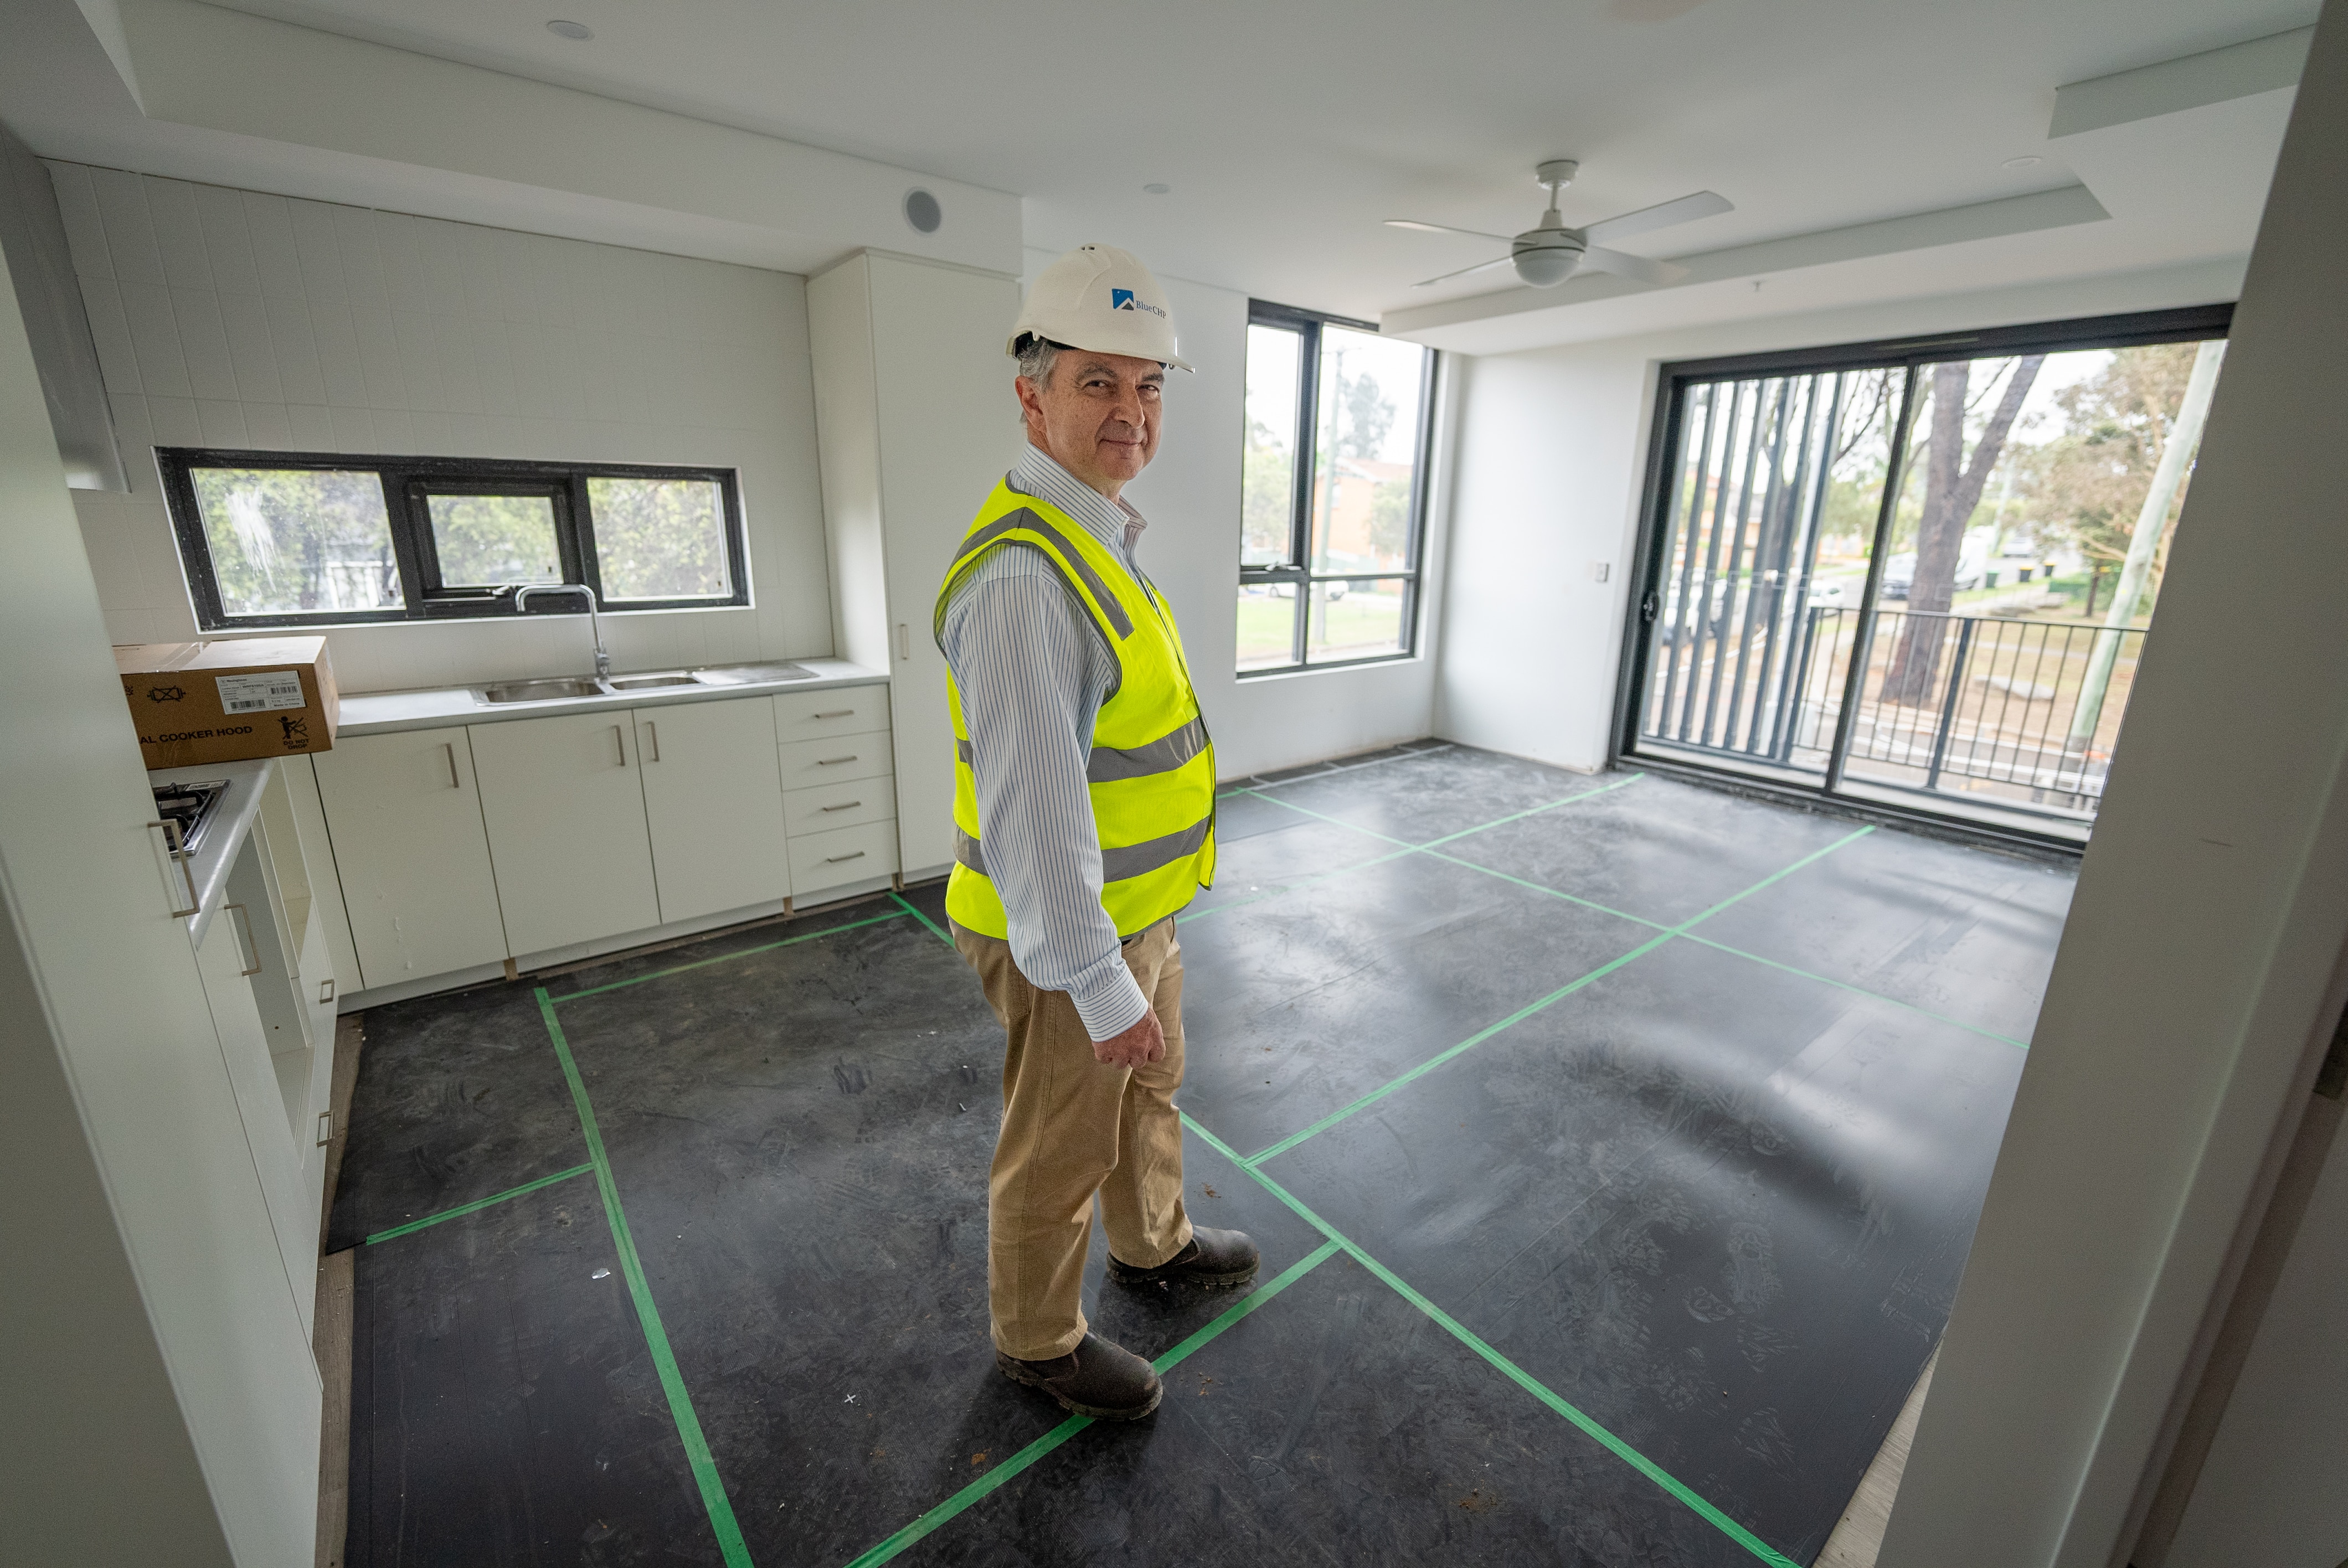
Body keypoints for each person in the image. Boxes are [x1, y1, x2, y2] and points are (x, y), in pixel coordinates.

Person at [935, 245, 1258, 1422]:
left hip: (1141, 915)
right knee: (1061, 1144)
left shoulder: (1096, 535)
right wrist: (1096, 982)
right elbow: (1034, 818)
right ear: (1031, 399)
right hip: (1069, 938)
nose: (1130, 414)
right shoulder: (1025, 578)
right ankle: (1037, 1340)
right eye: (1096, 385)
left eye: (1149, 388)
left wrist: (1142, 958)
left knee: (1151, 1096)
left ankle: (1154, 1245)